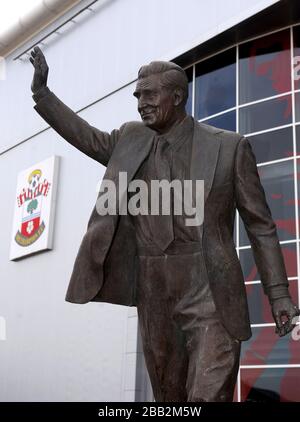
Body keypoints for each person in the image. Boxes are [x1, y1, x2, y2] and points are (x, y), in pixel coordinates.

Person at [30, 46, 299, 402]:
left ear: (177, 96)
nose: (141, 102)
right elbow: (86, 136)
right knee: (168, 399)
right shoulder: (130, 138)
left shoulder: (229, 148)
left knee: (207, 394)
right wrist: (43, 94)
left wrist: (278, 294)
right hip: (153, 288)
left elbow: (260, 225)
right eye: (138, 96)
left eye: (150, 94)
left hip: (210, 289)